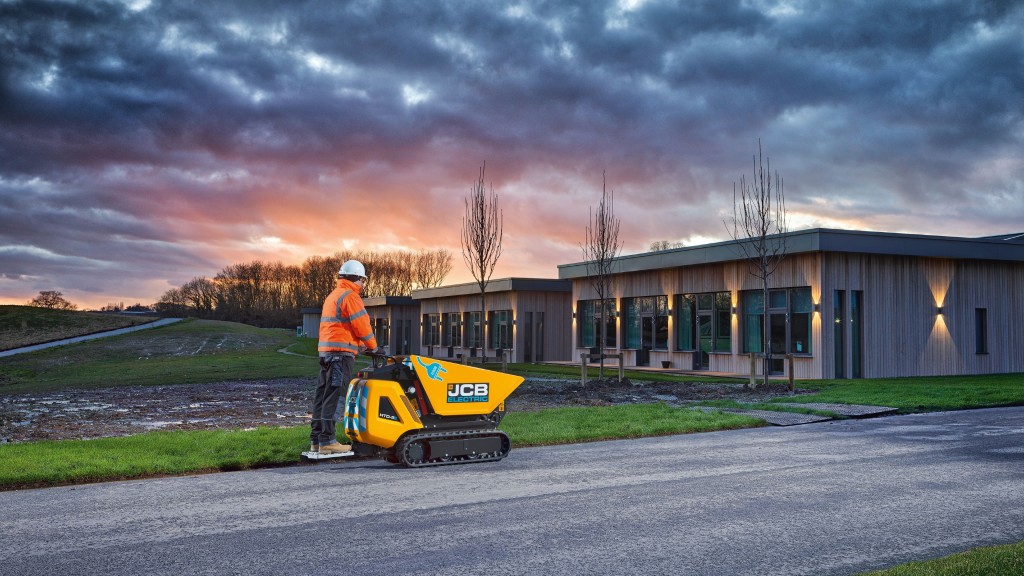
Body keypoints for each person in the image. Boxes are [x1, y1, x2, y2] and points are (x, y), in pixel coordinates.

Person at [311, 259, 382, 454]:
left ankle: (316, 440)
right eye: (363, 280)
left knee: (322, 395)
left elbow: (342, 329)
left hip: (327, 353)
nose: (363, 284)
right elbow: (362, 326)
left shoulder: (333, 295)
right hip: (340, 357)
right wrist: (374, 348)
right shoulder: (351, 296)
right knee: (335, 396)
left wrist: (359, 346)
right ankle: (328, 441)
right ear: (356, 278)